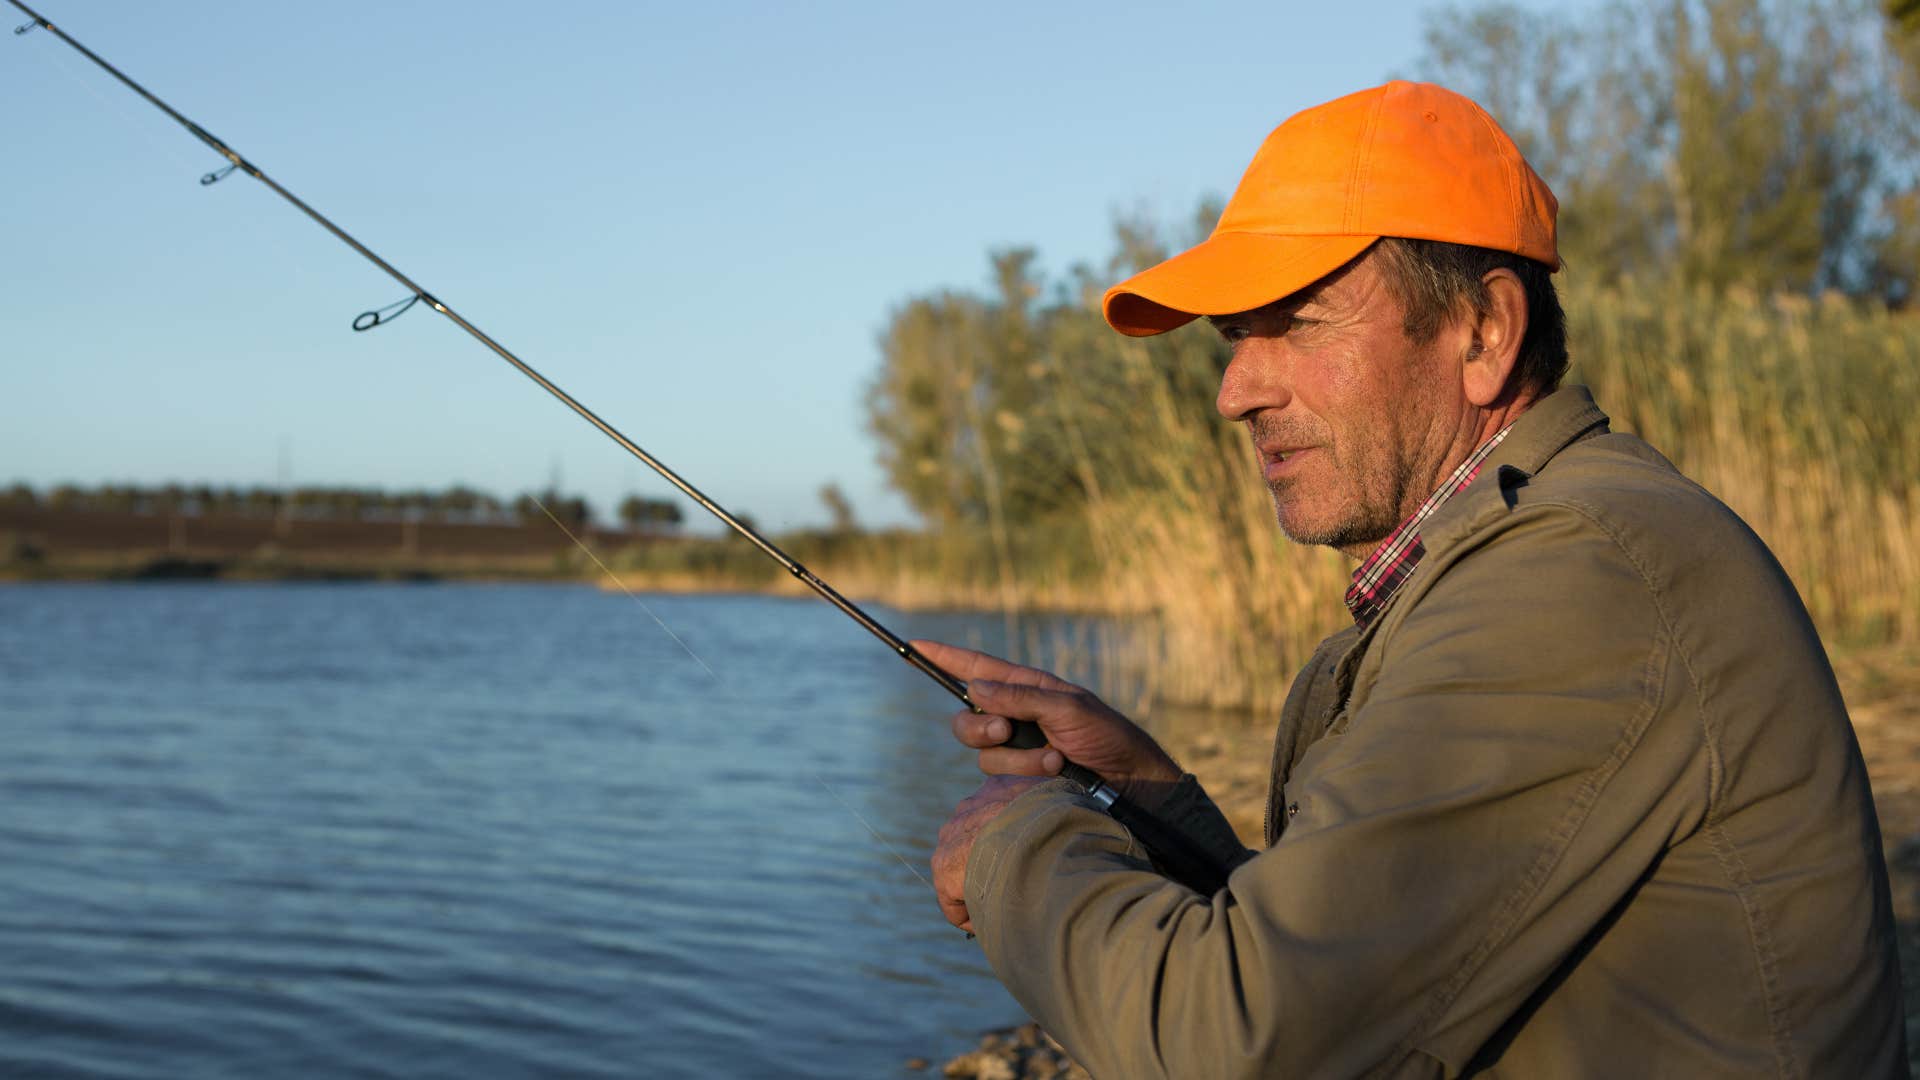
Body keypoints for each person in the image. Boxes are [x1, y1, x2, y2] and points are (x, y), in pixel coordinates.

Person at [921, 81, 1905, 1078]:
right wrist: (1147, 800)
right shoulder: (1515, 556)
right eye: (1235, 338)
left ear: (1484, 330)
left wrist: (1014, 845)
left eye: (1299, 322)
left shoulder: (1576, 574)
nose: (1235, 393)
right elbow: (1374, 969)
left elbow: (1239, 1043)